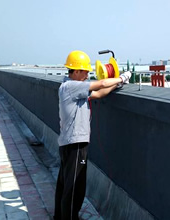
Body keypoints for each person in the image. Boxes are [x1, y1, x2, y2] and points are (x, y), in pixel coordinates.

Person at [54, 50, 130, 219]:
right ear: (76, 71)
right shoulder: (72, 86)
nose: (88, 74)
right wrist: (123, 78)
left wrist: (116, 85)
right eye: (86, 71)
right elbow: (101, 83)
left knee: (65, 184)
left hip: (69, 143)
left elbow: (99, 92)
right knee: (75, 187)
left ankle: (59, 216)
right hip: (75, 144)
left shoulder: (71, 88)